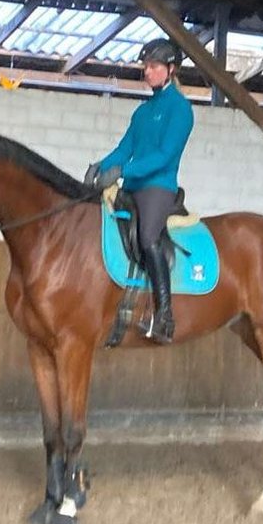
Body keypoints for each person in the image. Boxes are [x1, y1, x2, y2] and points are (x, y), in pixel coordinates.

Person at [85, 38, 194, 344]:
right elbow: (124, 149)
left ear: (170, 70)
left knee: (148, 238)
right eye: (145, 67)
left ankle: (165, 315)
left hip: (158, 187)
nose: (147, 72)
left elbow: (163, 156)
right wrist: (101, 165)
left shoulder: (181, 110)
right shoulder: (143, 113)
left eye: (154, 66)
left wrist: (122, 171)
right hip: (132, 186)